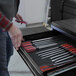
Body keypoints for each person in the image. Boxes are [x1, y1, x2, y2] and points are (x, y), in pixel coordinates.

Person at [0, 0, 23, 76]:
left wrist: (13, 11)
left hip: (4, 22)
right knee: (2, 69)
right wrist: (10, 27)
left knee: (8, 52)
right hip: (3, 24)